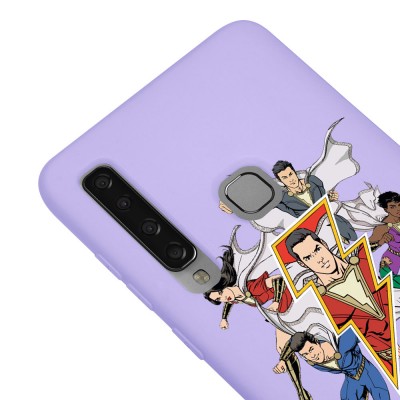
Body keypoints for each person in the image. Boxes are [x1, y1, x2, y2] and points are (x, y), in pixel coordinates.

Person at [204, 246, 312, 400]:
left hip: (287, 298)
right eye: (219, 299)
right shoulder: (235, 296)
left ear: (224, 284)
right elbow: (229, 301)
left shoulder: (249, 287)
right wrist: (224, 318)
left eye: (221, 293)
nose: (224, 298)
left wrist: (276, 301)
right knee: (281, 347)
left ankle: (301, 392)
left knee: (283, 347)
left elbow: (278, 279)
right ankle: (301, 391)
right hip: (279, 310)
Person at [285, 228, 395, 374]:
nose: (319, 259)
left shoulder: (361, 255)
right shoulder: (318, 301)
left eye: (317, 249)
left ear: (324, 244)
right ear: (303, 264)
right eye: (308, 257)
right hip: (385, 355)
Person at [275, 329, 390, 400]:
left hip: (366, 371)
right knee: (346, 396)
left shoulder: (341, 343)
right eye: (305, 354)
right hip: (351, 379)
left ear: (316, 342)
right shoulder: (310, 360)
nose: (312, 355)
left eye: (311, 349)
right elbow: (290, 344)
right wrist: (283, 359)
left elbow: (361, 330)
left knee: (382, 396)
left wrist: (386, 347)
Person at [272, 160, 357, 242]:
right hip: (314, 232)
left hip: (334, 220)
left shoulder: (313, 180)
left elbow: (324, 199)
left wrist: (330, 198)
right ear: (281, 181)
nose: (290, 179)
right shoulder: (282, 199)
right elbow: (291, 215)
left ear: (295, 172)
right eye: (285, 178)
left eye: (291, 174)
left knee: (353, 236)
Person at [369, 191, 400, 289]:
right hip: (391, 260)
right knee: (391, 283)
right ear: (386, 209)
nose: (398, 209)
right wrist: (381, 242)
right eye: (392, 207)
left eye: (399, 205)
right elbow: (365, 248)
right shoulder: (382, 227)